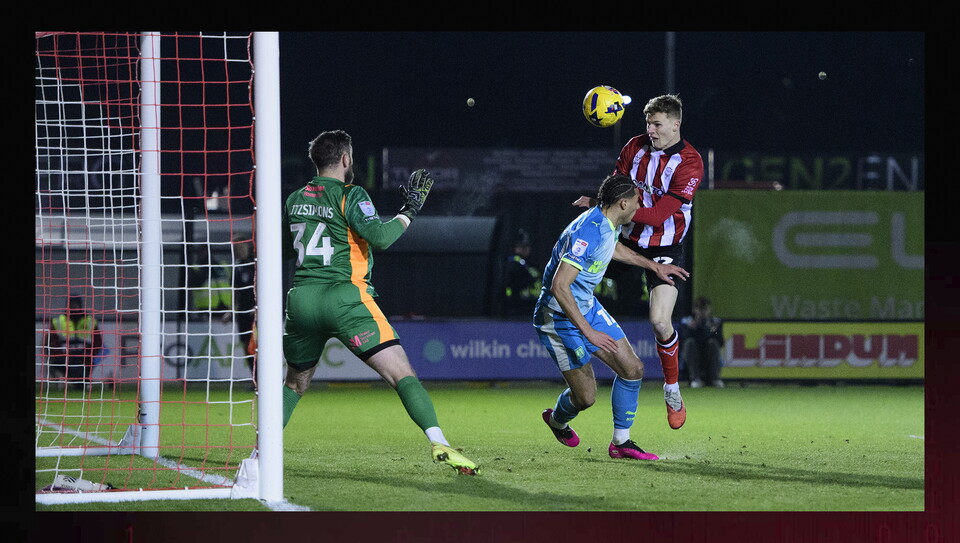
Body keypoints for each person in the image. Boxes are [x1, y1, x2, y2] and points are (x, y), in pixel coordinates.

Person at [280, 129, 478, 475]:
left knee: (295, 383)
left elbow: (286, 251)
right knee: (401, 373)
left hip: (302, 301)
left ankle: (258, 455)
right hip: (345, 298)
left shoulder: (295, 199)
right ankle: (439, 442)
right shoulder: (350, 193)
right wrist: (409, 210)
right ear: (345, 159)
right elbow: (381, 238)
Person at [537, 174, 689, 461]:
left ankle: (621, 442)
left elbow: (613, 248)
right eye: (636, 200)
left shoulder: (607, 222)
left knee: (633, 369)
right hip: (558, 316)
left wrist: (653, 267)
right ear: (622, 203)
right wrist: (589, 332)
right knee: (586, 398)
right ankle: (556, 420)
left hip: (586, 308)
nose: (639, 205)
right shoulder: (589, 231)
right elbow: (560, 285)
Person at [574, 94, 704, 430]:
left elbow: (661, 213)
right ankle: (573, 362)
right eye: (648, 123)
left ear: (676, 124)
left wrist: (603, 206)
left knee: (660, 322)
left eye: (658, 124)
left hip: (666, 244)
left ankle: (672, 390)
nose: (651, 130)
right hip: (624, 238)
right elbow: (616, 188)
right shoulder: (634, 146)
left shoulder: (690, 163)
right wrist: (600, 202)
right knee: (571, 284)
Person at [45, 295, 102, 391]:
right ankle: (62, 377)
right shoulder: (58, 321)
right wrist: (58, 354)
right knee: (59, 362)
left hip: (83, 356)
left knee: (81, 383)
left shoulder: (90, 321)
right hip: (64, 355)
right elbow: (50, 342)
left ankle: (83, 380)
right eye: (72, 305)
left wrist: (90, 354)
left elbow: (97, 342)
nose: (74, 307)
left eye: (76, 305)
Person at [223, 233, 256, 388]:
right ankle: (255, 379)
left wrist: (258, 307)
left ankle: (263, 379)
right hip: (242, 312)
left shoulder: (254, 265)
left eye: (237, 247)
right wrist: (231, 310)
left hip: (254, 313)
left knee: (255, 346)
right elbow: (235, 290)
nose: (235, 250)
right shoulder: (237, 266)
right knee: (245, 346)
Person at [679, 296, 725, 388]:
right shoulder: (687, 322)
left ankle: (715, 378)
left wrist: (712, 330)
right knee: (690, 342)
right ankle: (695, 378)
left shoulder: (715, 322)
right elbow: (683, 339)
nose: (702, 312)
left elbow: (720, 342)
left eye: (705, 309)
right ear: (694, 310)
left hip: (709, 354)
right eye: (700, 309)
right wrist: (693, 328)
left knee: (712, 343)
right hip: (692, 355)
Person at [501, 229, 542, 317]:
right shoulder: (513, 264)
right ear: (515, 248)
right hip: (518, 306)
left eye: (527, 246)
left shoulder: (531, 264)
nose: (525, 249)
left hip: (533, 304)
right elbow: (511, 285)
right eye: (521, 246)